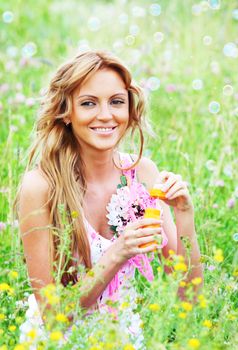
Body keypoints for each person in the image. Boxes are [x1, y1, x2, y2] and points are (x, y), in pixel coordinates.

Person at [15, 50, 203, 348]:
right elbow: (53, 318)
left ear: (130, 110)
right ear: (66, 112)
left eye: (116, 102)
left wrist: (184, 215)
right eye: (89, 103)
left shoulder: (141, 173)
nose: (106, 115)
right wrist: (119, 252)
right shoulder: (40, 186)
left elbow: (188, 294)